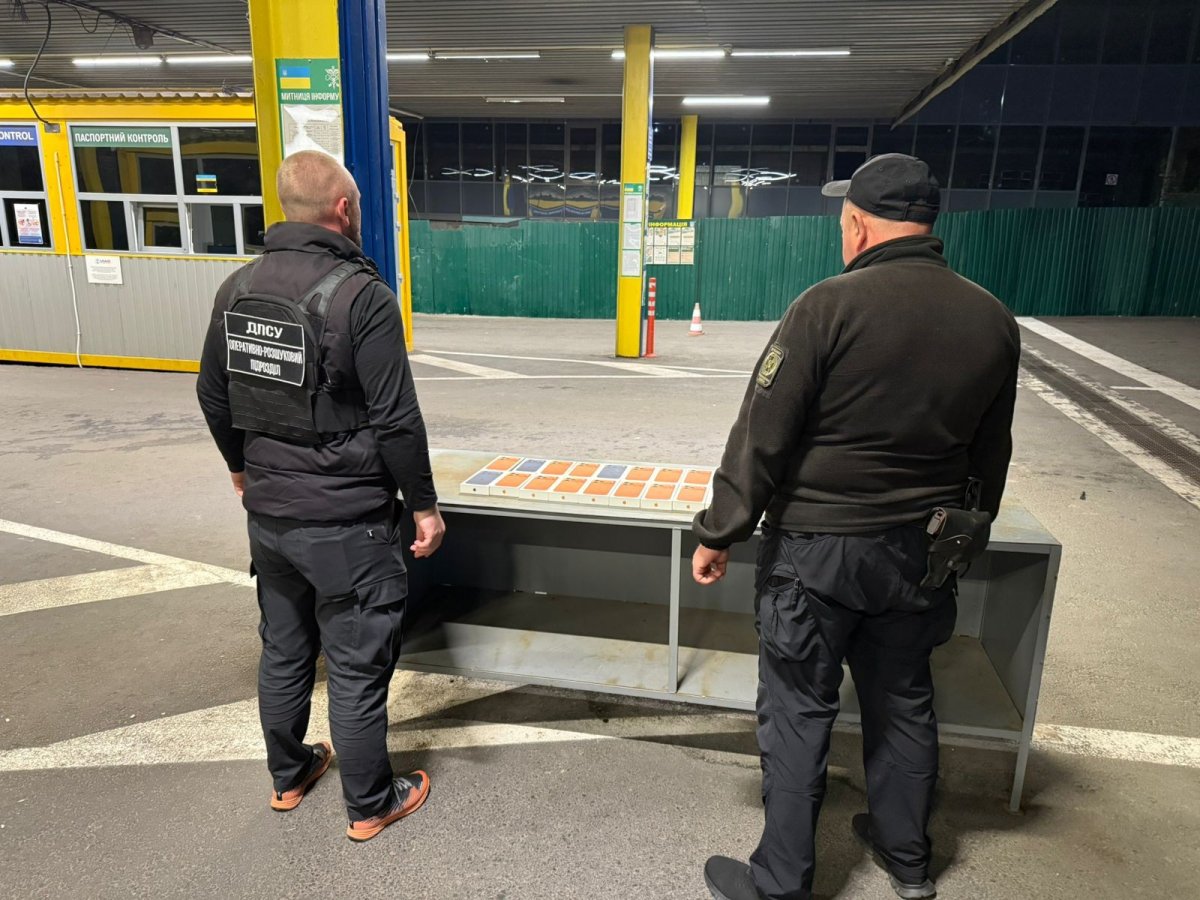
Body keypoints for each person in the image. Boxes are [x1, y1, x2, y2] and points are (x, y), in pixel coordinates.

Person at [694, 154, 1020, 900]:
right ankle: (908, 861)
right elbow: (990, 452)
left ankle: (781, 882)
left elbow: (762, 435)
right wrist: (963, 538)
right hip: (920, 552)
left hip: (816, 552)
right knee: (902, 698)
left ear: (858, 224)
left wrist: (721, 530)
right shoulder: (991, 318)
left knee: (797, 710)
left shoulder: (826, 306)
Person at [196, 149, 445, 842]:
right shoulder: (362, 297)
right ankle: (370, 804)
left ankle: (289, 774)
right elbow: (397, 419)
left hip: (270, 519)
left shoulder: (237, 288)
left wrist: (240, 467)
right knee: (358, 662)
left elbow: (213, 393)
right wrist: (423, 505)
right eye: (357, 205)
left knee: (284, 649)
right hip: (347, 522)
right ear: (343, 209)